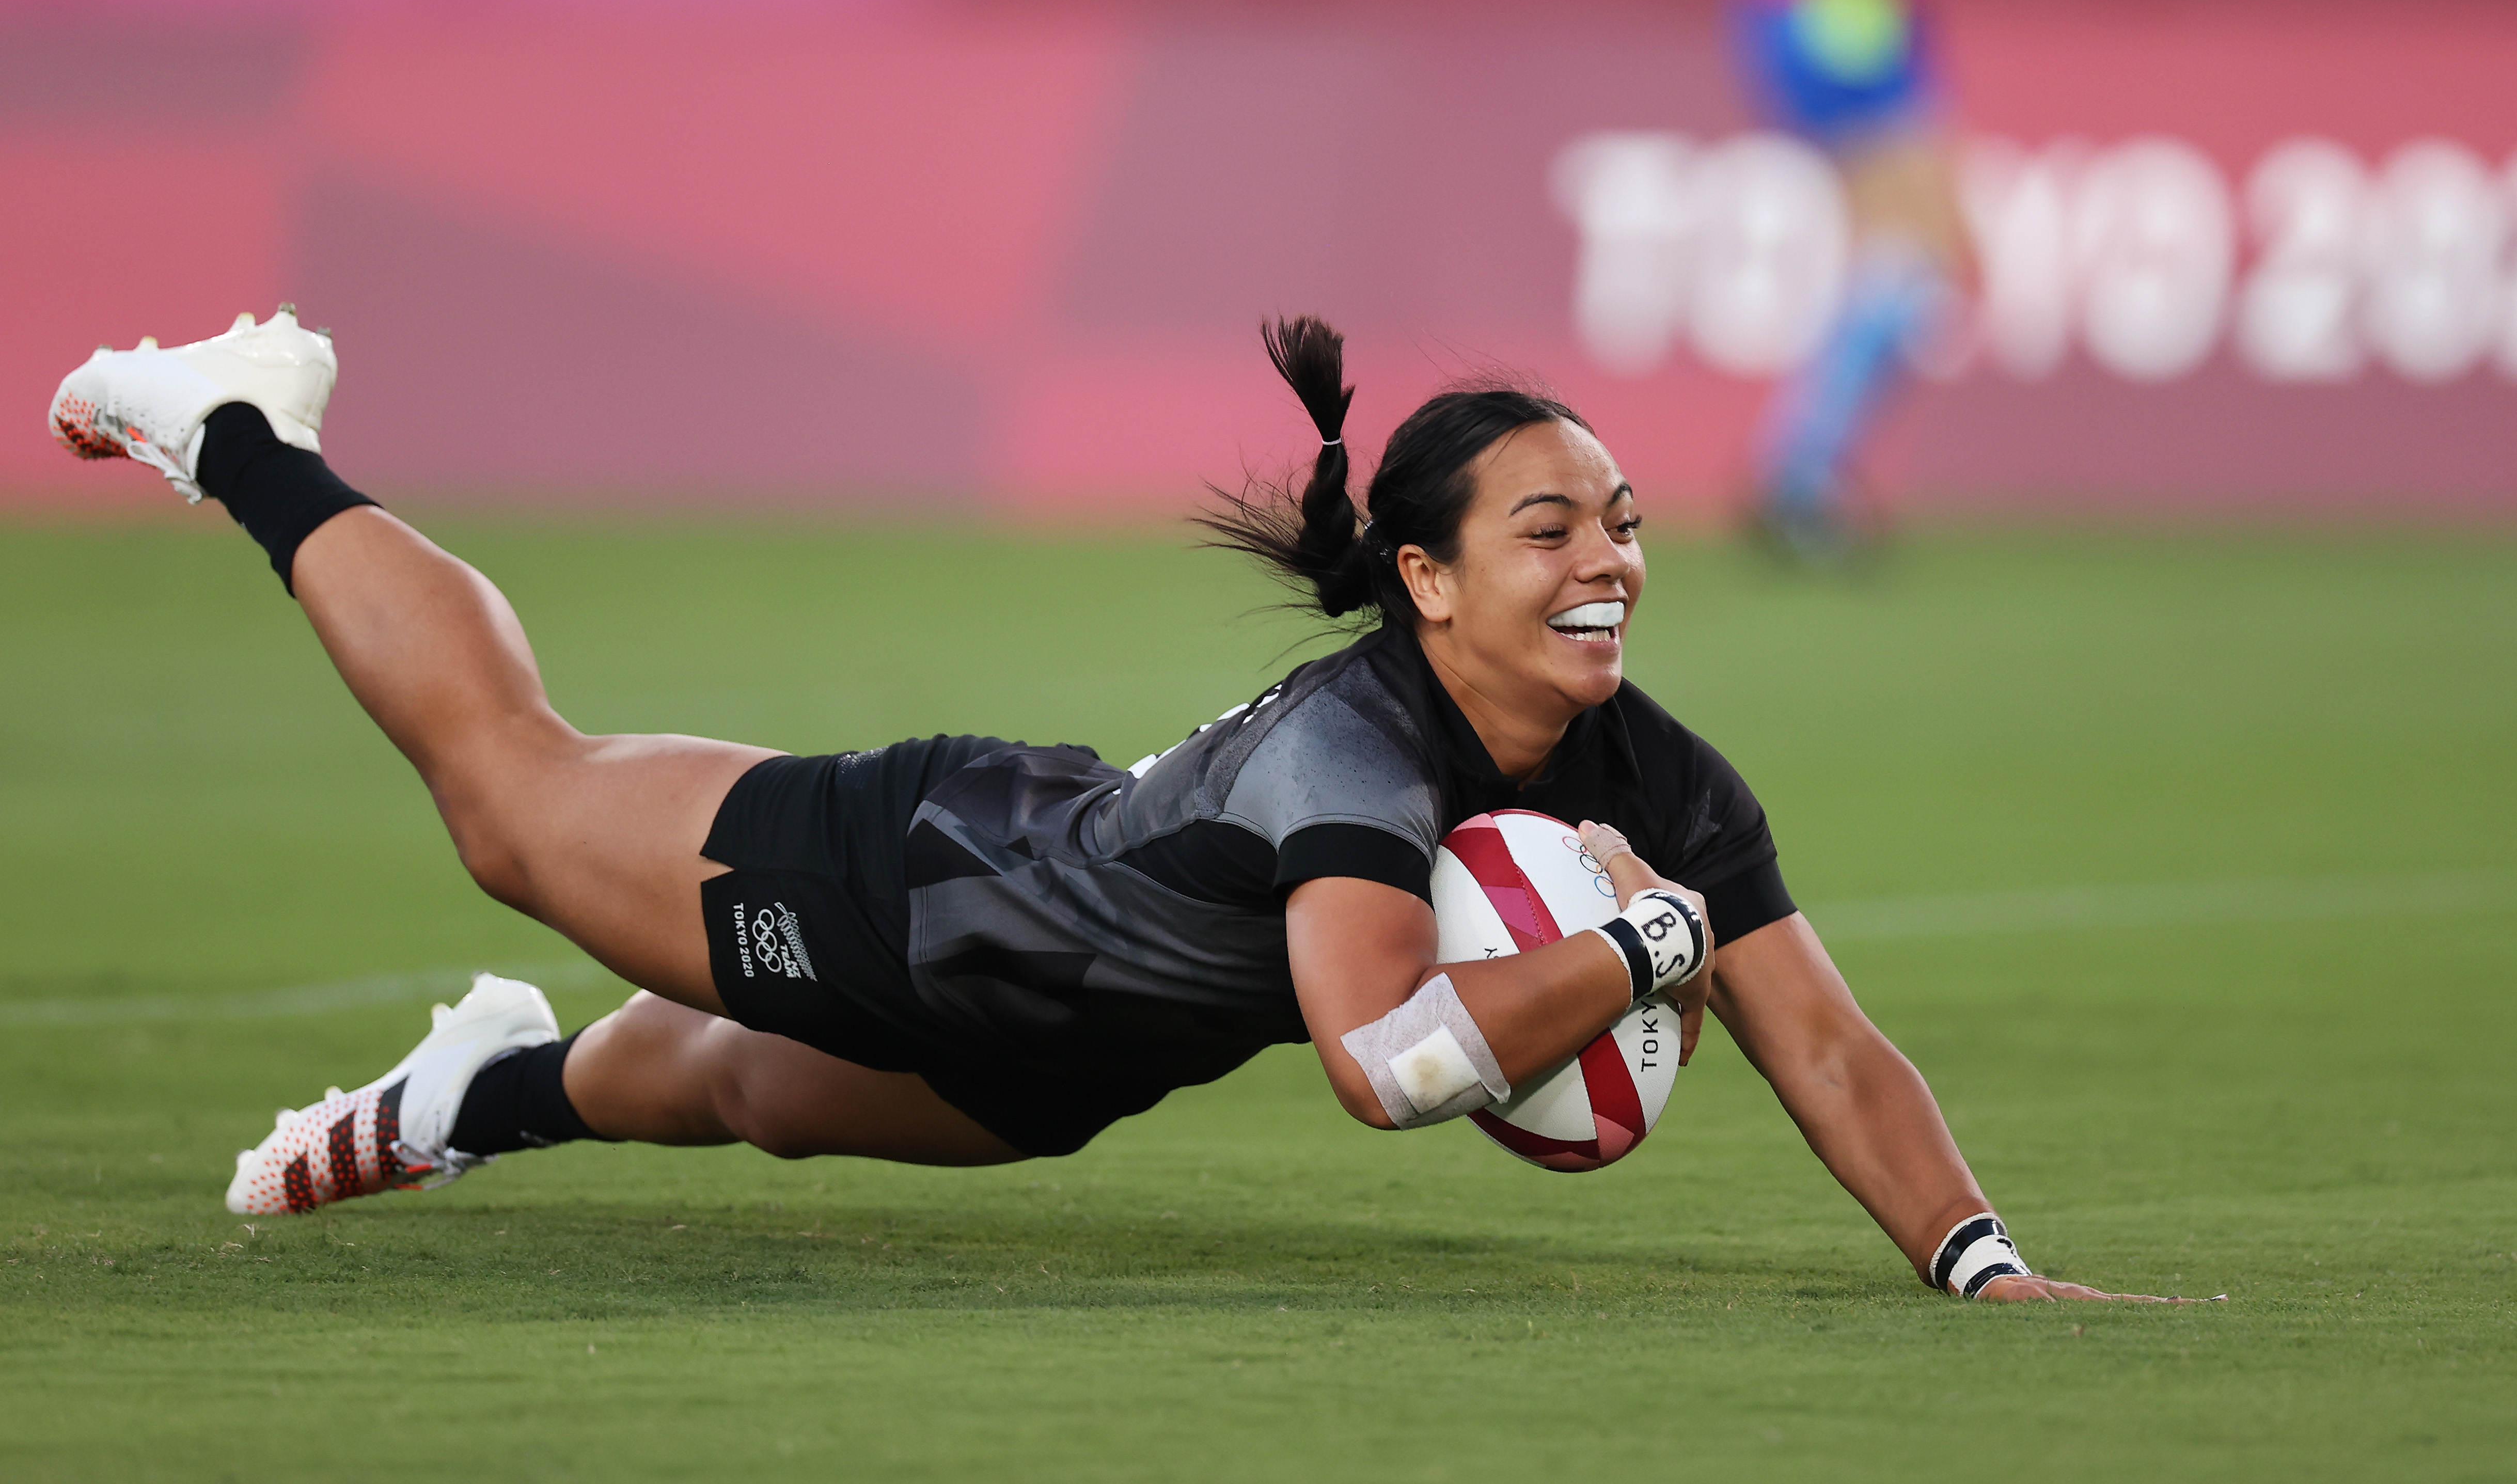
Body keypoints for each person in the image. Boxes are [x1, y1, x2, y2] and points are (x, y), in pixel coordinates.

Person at [46, 306, 2182, 1304]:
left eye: (1622, 518)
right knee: (518, 803)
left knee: (741, 1093)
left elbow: (1823, 1030)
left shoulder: (1657, 770)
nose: (1611, 555)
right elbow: (1389, 1062)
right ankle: (242, 427)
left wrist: (1979, 1264)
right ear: (1428, 578)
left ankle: (469, 1089)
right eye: (1551, 529)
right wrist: (1633, 947)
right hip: (925, 878)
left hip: (1067, 1053)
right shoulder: (1361, 757)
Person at [1670, 0, 1988, 560]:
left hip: (1865, 3)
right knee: (1918, 244)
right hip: (1826, 5)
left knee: (1910, 253)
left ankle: (1805, 474)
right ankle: (1800, 477)